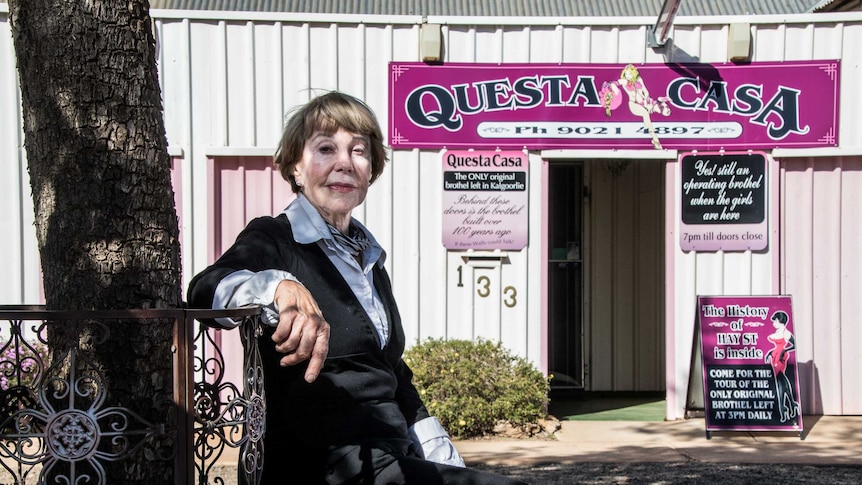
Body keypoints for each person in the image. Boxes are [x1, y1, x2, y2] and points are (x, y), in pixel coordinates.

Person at [188, 91, 528, 485]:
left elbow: (392, 372)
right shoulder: (275, 239)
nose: (344, 163)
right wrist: (277, 284)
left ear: (371, 170)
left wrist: (441, 453)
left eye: (359, 151)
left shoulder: (368, 259)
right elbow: (205, 292)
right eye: (326, 148)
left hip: (390, 457)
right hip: (325, 464)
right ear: (296, 166)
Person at [764, 310, 801, 424]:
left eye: (775, 320)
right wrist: (770, 353)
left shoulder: (786, 333)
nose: (773, 323)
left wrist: (785, 350)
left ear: (780, 321)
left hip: (781, 357)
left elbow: (794, 344)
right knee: (780, 380)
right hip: (775, 354)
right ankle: (791, 403)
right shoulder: (777, 332)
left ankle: (782, 408)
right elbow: (776, 346)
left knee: (779, 379)